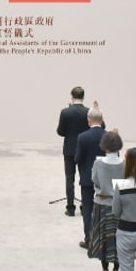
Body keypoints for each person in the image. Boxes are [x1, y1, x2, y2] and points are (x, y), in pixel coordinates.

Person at [90, 131, 124, 271]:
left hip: (102, 204)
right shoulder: (124, 164)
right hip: (119, 205)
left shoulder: (98, 163)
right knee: (119, 238)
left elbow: (94, 180)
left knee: (103, 238)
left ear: (104, 145)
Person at [56, 86, 94, 217]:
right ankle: (85, 206)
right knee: (85, 178)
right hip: (85, 149)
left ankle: (70, 207)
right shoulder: (89, 112)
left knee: (69, 178)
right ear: (83, 97)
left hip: (70, 149)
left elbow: (60, 131)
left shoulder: (65, 112)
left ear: (72, 97)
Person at [74, 108, 106, 249]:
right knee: (104, 209)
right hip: (104, 179)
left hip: (87, 177)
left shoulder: (82, 137)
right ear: (102, 119)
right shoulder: (108, 136)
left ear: (89, 120)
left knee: (87, 210)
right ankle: (104, 238)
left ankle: (89, 239)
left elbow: (78, 158)